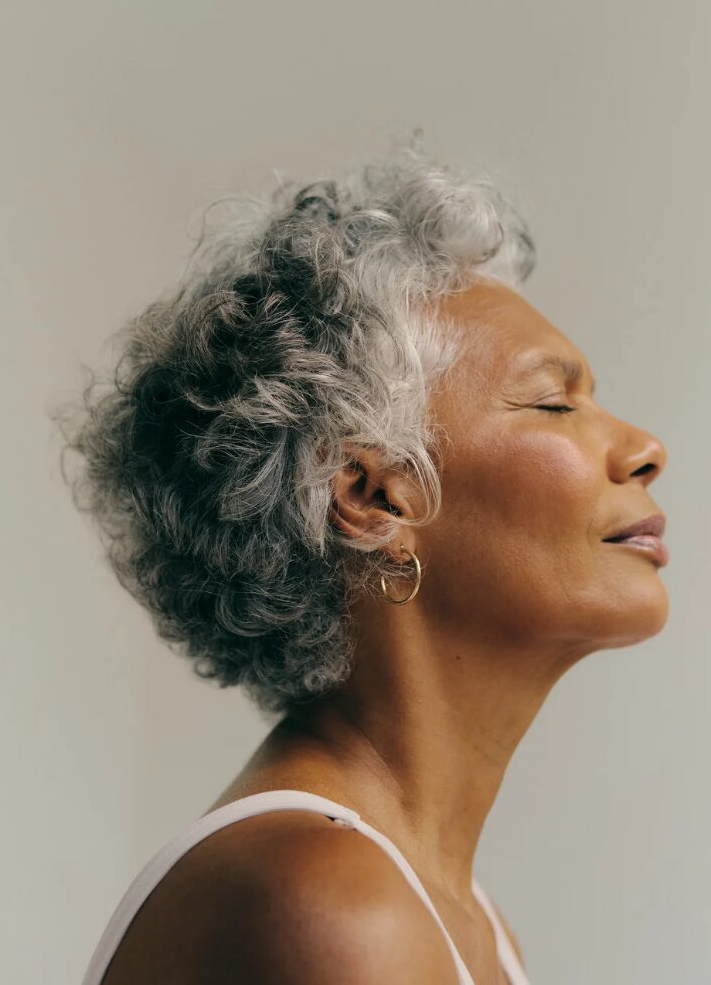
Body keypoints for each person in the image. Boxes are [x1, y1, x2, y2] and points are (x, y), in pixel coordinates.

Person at [58, 138, 669, 984]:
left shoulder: (467, 921)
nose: (645, 449)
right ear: (373, 497)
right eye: (553, 402)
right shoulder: (331, 904)